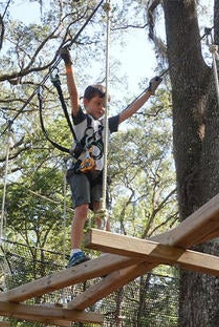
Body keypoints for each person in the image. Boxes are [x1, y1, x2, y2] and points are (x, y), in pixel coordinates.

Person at [60, 47, 161, 268]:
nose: (102, 108)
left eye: (104, 105)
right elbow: (74, 96)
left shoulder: (106, 125)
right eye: (97, 103)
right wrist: (69, 67)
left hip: (98, 173)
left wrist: (149, 92)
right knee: (82, 208)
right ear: (87, 103)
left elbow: (129, 111)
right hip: (80, 171)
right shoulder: (81, 121)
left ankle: (107, 253)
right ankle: (75, 253)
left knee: (102, 212)